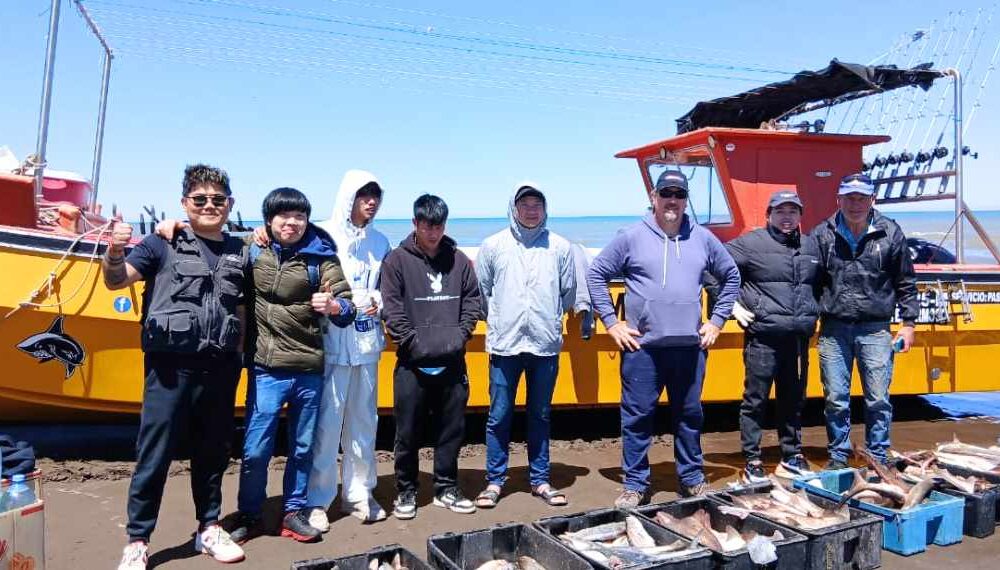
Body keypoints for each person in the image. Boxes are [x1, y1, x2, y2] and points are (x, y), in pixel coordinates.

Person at [105, 164, 248, 569]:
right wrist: (115, 251)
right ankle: (137, 540)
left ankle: (208, 528)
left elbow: (241, 309)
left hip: (220, 370)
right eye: (199, 199)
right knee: (155, 455)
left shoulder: (240, 252)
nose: (209, 206)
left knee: (213, 453)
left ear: (230, 205)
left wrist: (239, 358)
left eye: (217, 200)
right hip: (168, 370)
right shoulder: (160, 243)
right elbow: (117, 281)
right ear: (185, 203)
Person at [587, 170, 740, 507]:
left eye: (679, 195)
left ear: (686, 201)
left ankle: (692, 478)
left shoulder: (703, 238)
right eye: (666, 193)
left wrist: (716, 321)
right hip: (643, 349)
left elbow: (731, 276)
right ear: (654, 197)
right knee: (637, 418)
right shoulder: (631, 237)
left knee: (689, 416)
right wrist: (612, 323)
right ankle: (635, 484)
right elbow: (596, 274)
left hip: (689, 347)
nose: (673, 201)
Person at [228, 188, 355, 543]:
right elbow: (216, 241)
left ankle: (292, 513)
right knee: (255, 450)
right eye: (284, 215)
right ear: (269, 219)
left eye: (299, 216)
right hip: (266, 369)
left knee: (301, 448)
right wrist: (170, 229)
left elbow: (348, 308)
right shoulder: (252, 248)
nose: (292, 222)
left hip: (309, 369)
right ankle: (250, 514)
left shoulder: (321, 255)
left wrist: (333, 307)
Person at [380, 194, 482, 520]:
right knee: (407, 432)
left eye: (438, 225)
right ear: (415, 223)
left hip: (453, 361)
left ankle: (446, 487)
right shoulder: (396, 260)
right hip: (412, 363)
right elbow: (392, 310)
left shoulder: (460, 260)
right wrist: (415, 344)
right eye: (427, 225)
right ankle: (406, 491)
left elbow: (472, 304)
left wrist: (458, 338)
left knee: (451, 430)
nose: (433, 232)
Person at [473, 183, 575, 509]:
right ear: (513, 209)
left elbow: (568, 292)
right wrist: (503, 320)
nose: (531, 210)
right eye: (525, 204)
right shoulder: (492, 246)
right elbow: (481, 293)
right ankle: (494, 481)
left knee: (540, 415)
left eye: (537, 204)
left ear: (545, 209)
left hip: (544, 345)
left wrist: (550, 320)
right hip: (505, 346)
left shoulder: (560, 247)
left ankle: (540, 479)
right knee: (498, 415)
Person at [812, 173, 918, 469]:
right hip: (834, 330)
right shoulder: (823, 234)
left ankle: (878, 456)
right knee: (835, 398)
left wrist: (908, 323)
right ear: (839, 200)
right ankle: (838, 455)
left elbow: (906, 282)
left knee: (878, 399)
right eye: (849, 198)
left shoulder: (891, 232)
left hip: (876, 330)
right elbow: (810, 282)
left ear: (873, 200)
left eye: (861, 198)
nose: (855, 204)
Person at [306, 171, 392, 529]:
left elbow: (390, 288)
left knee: (363, 422)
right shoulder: (321, 233)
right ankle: (317, 500)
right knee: (327, 423)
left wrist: (378, 301)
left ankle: (359, 493)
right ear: (348, 197)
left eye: (375, 196)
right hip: (331, 342)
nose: (369, 202)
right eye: (363, 195)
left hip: (368, 342)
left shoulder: (382, 241)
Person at [723, 190, 821, 483]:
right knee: (755, 400)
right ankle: (753, 459)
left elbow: (826, 283)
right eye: (780, 211)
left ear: (801, 216)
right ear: (769, 215)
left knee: (793, 400)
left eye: (793, 211)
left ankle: (792, 455)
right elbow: (712, 268)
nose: (787, 217)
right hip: (763, 337)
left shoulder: (811, 246)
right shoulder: (751, 243)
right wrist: (731, 305)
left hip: (798, 340)